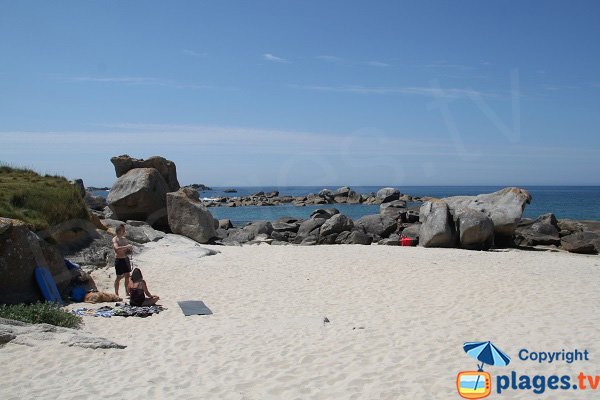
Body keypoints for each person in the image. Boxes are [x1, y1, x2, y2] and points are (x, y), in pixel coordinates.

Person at [112, 224, 133, 297]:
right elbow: (117, 248)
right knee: (118, 277)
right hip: (119, 260)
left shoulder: (124, 239)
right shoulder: (115, 239)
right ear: (119, 230)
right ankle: (116, 293)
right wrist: (126, 246)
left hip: (125, 259)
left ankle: (127, 292)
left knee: (127, 275)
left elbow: (126, 250)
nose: (124, 231)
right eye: (123, 230)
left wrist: (129, 249)